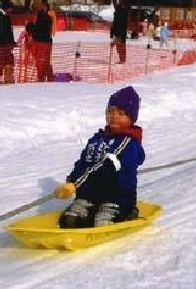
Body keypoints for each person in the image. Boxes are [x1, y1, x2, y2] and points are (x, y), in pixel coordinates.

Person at [54, 86, 146, 228]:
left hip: (117, 198)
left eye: (121, 113)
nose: (114, 116)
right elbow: (83, 162)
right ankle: (88, 212)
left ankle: (128, 212)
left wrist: (75, 183)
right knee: (69, 220)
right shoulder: (96, 139)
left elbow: (105, 165)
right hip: (89, 197)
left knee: (101, 223)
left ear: (131, 118)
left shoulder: (127, 143)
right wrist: (72, 179)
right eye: (110, 111)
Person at [27, 1, 54, 82]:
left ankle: (42, 78)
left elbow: (38, 29)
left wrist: (29, 26)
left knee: (41, 62)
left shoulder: (44, 18)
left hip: (41, 42)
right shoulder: (44, 17)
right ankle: (49, 77)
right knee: (45, 62)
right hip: (45, 41)